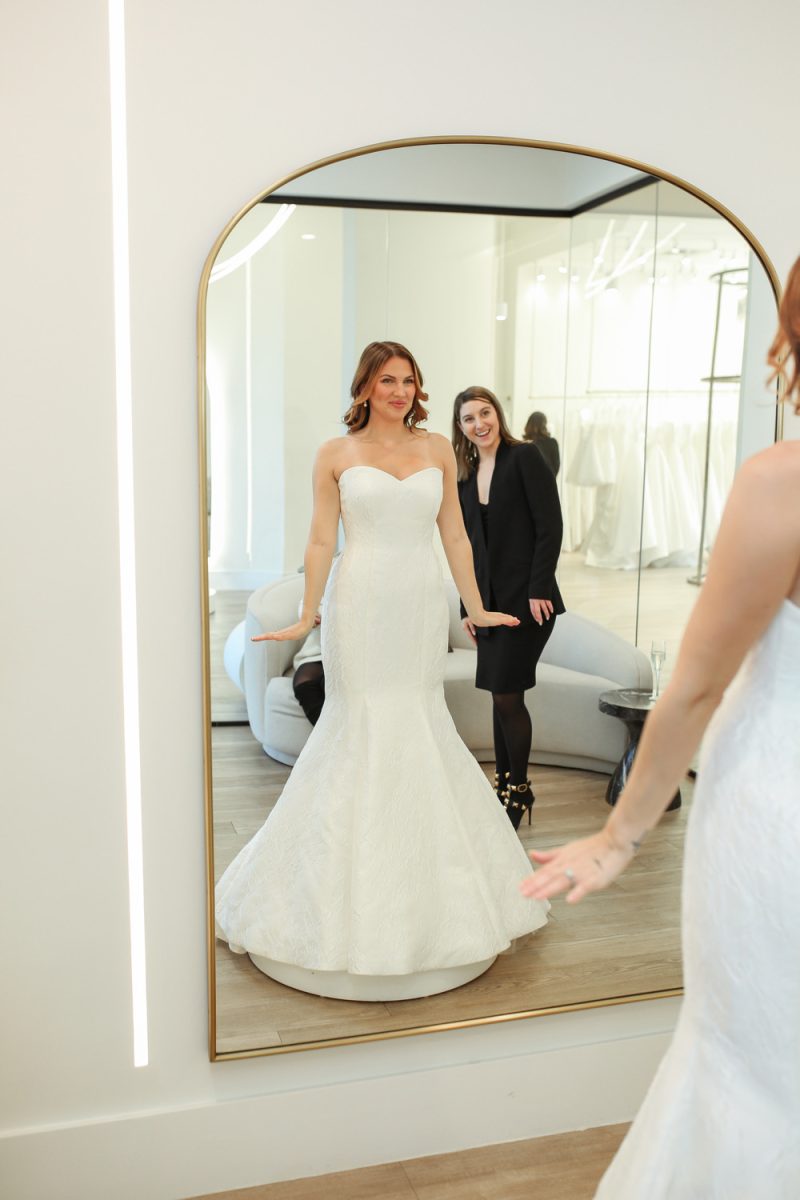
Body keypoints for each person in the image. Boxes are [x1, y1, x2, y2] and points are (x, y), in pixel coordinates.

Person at [520, 259, 800, 1197]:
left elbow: (695, 687)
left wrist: (618, 837)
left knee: (755, 1071)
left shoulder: (783, 483)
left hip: (781, 804)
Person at [215, 341, 549, 999]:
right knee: (360, 720)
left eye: (409, 380)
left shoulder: (437, 449)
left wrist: (474, 607)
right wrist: (307, 613)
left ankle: (438, 894)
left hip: (418, 600)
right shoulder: (335, 454)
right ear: (365, 386)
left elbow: (455, 535)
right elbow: (321, 539)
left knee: (420, 717)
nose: (400, 391)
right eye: (387, 380)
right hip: (361, 600)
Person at [452, 387, 565, 829]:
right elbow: (466, 548)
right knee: (501, 699)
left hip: (529, 604)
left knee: (507, 696)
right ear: (460, 427)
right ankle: (505, 787)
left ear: (497, 414)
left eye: (485, 413)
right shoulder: (464, 475)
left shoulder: (525, 457)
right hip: (488, 607)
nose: (479, 423)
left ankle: (518, 790)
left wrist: (540, 588)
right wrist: (469, 606)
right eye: (469, 418)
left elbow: (550, 525)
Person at [523, 410, 560, 476]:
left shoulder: (525, 446)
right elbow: (556, 467)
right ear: (544, 425)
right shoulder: (552, 442)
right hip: (548, 480)